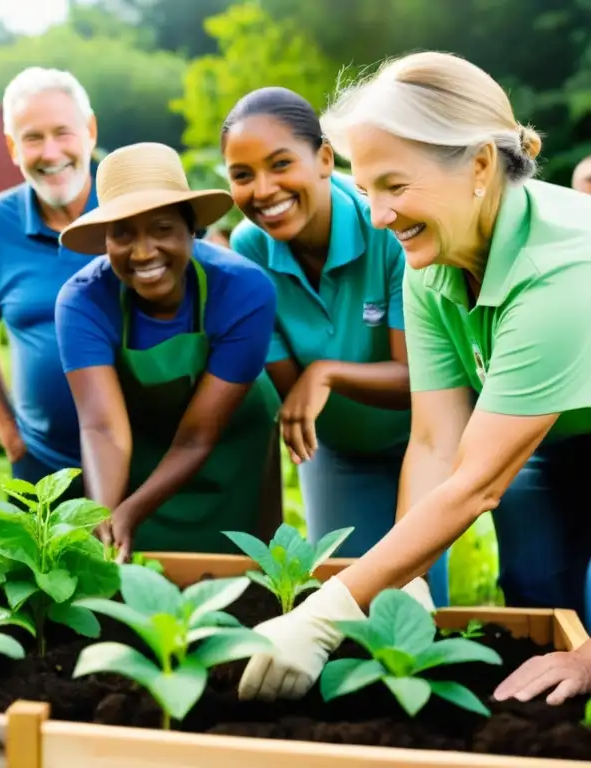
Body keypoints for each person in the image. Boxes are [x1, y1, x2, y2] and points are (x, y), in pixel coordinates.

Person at [234, 50, 591, 706]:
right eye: (365, 189)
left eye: (394, 186)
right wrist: (410, 575)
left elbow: (478, 482)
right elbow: (433, 442)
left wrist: (325, 612)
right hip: (549, 431)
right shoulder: (433, 260)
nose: (375, 216)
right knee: (539, 589)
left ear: (480, 166)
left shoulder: (562, 270)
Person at [222, 86, 449, 607]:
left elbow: (417, 379)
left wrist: (325, 372)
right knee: (344, 597)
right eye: (242, 175)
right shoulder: (249, 249)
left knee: (417, 599)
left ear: (324, 158)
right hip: (337, 451)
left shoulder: (389, 231)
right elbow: (292, 396)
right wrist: (309, 386)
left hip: (424, 439)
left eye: (281, 164)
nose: (264, 189)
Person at [55, 142, 283, 561]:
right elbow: (103, 428)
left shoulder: (244, 289)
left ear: (190, 227)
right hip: (139, 447)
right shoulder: (83, 301)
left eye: (161, 229)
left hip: (232, 445)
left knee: (245, 582)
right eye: (122, 233)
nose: (142, 252)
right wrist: (105, 516)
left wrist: (133, 509)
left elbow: (198, 435)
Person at [0, 67, 99, 495]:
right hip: (42, 470)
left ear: (90, 131)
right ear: (12, 147)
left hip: (145, 462)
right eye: (33, 138)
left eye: (63, 132)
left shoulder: (133, 206)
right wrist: (10, 436)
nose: (51, 152)